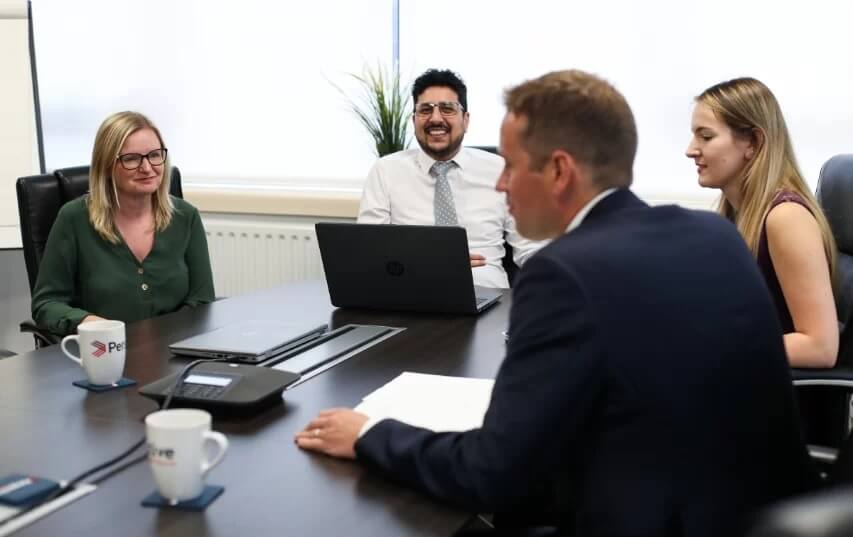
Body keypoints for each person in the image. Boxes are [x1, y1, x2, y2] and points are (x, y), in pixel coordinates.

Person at [296, 70, 816, 536]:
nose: (500, 183)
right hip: (758, 514)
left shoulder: (561, 273)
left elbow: (491, 474)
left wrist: (371, 436)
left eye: (511, 166)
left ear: (560, 171)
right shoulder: (715, 235)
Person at [686, 77, 839, 368]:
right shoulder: (736, 213)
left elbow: (820, 346)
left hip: (779, 401)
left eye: (705, 137)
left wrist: (714, 345)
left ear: (753, 143)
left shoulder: (786, 217)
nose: (691, 149)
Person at [32, 111, 215, 336]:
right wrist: (88, 322)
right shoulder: (73, 219)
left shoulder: (186, 217)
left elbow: (202, 300)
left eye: (155, 155)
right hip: (102, 354)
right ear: (107, 165)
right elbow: (46, 304)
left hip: (174, 351)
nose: (147, 168)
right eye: (131, 159)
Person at [357, 68, 545, 288]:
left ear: (465, 120)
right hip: (411, 296)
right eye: (425, 110)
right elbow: (370, 253)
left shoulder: (500, 170)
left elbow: (530, 247)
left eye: (447, 109)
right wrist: (432, 263)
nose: (435, 118)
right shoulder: (385, 171)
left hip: (486, 294)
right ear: (414, 120)